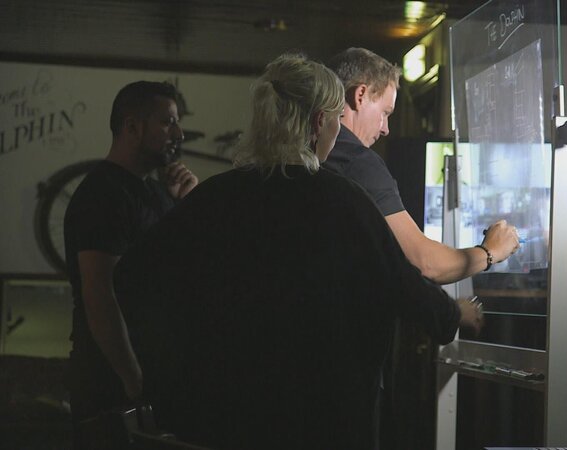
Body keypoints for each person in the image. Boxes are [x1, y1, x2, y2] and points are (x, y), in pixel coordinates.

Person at [112, 53, 483, 450]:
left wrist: (176, 365)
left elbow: (132, 276)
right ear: (319, 123)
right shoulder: (343, 201)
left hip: (225, 416)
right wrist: (453, 313)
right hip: (323, 416)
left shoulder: (213, 197)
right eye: (337, 121)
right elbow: (399, 282)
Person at [63, 80, 198, 444]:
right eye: (167, 122)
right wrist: (133, 380)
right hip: (111, 384)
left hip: (148, 377)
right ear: (132, 127)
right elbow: (100, 293)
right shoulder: (102, 195)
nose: (178, 132)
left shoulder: (153, 192)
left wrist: (183, 205)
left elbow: (179, 271)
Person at [323, 47, 520, 284]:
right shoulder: (356, 162)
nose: (386, 129)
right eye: (385, 113)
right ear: (361, 95)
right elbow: (426, 263)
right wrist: (491, 252)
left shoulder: (309, 149)